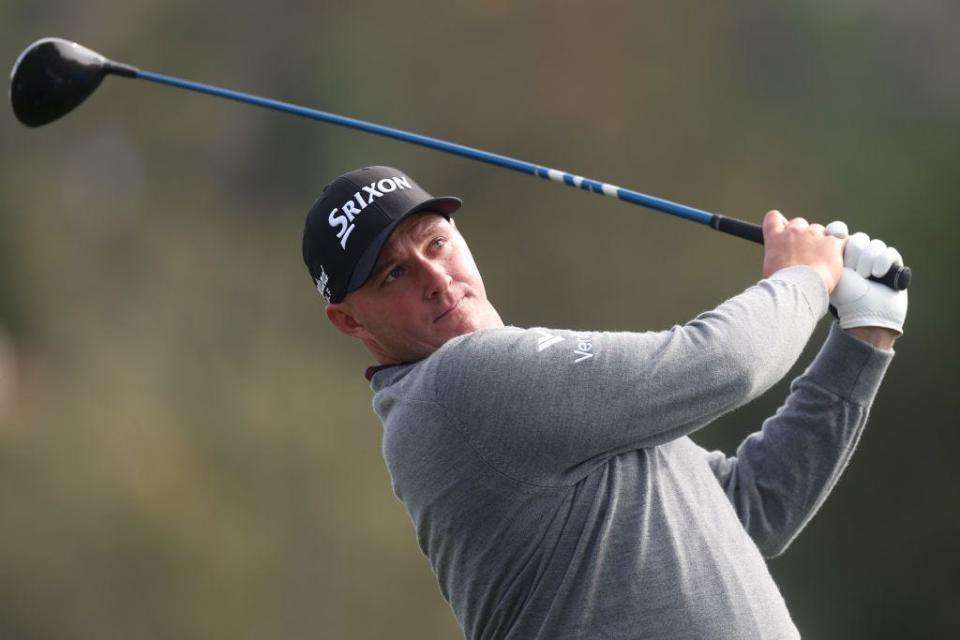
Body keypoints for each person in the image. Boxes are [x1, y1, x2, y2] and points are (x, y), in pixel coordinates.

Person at [302, 165, 907, 639]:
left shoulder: (541, 399)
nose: (433, 275)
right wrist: (801, 278)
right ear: (348, 320)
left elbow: (753, 508)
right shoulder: (454, 388)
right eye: (392, 275)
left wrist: (864, 335)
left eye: (436, 243)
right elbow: (725, 362)